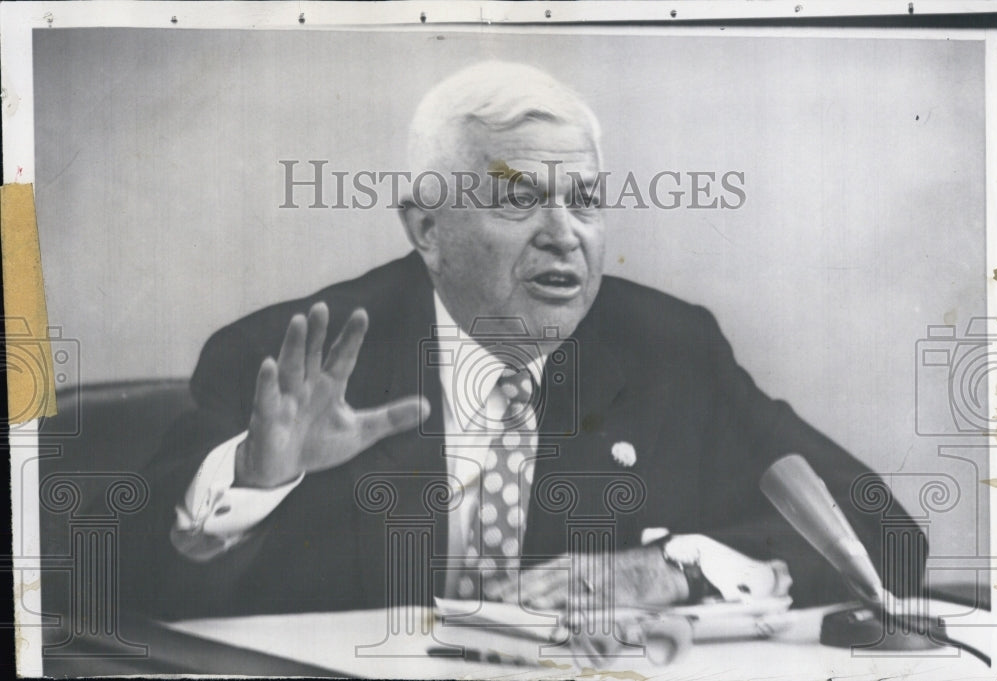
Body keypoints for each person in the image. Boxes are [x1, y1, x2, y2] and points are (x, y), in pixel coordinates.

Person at [123, 61, 924, 620]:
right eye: (518, 201)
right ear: (427, 227)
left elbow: (884, 534)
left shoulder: (668, 349)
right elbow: (101, 585)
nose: (563, 235)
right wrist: (259, 480)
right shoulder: (301, 359)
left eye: (584, 200)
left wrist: (687, 566)